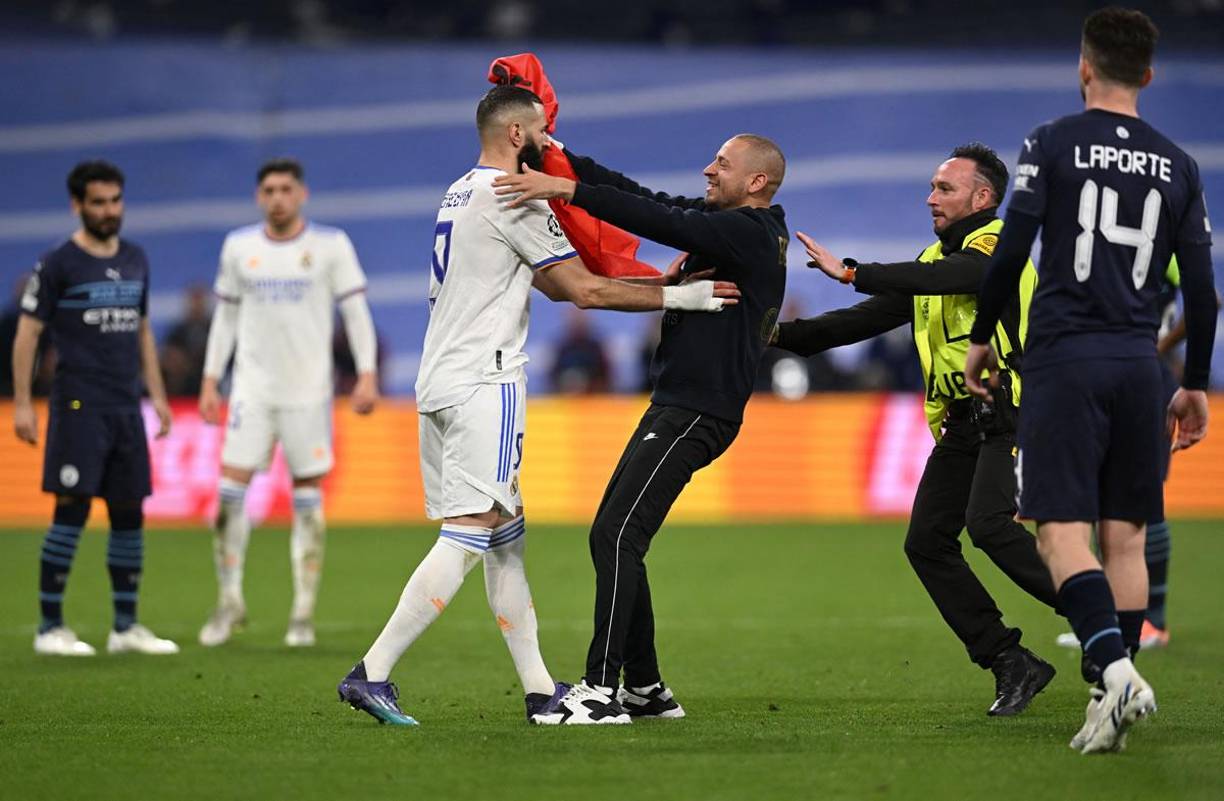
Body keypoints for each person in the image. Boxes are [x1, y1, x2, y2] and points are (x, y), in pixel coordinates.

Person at [336, 85, 739, 727]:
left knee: (504, 537)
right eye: (545, 133)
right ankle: (373, 672)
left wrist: (658, 282)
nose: (553, 146)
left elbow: (551, 283)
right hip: (485, 383)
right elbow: (582, 291)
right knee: (471, 533)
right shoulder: (516, 196)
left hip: (440, 379)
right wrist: (682, 300)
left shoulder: (461, 191)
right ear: (520, 136)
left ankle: (538, 688)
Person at [965, 7, 1216, 754]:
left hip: (1066, 360)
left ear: (1084, 67)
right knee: (1127, 539)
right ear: (1147, 73)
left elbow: (1010, 253)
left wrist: (981, 338)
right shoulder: (1180, 164)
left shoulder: (1052, 142)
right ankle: (1116, 696)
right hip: (1143, 367)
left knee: (1059, 535)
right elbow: (1202, 291)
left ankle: (1113, 671)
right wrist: (1194, 381)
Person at [493, 130, 788, 720]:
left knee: (618, 536)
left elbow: (652, 216)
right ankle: (646, 688)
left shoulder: (750, 232)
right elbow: (638, 194)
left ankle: (600, 690)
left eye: (722, 164)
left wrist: (564, 188)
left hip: (698, 409)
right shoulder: (732, 230)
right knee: (613, 533)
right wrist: (563, 156)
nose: (708, 169)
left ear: (756, 182)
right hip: (680, 405)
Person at [772, 144, 1059, 716]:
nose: (930, 197)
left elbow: (973, 275)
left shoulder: (998, 245)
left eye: (944, 188)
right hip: (961, 424)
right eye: (931, 186)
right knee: (926, 542)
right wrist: (773, 337)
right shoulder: (933, 261)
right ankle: (1010, 660)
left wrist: (853, 270)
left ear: (983, 198)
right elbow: (860, 321)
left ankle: (1101, 620)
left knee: (989, 526)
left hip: (1011, 411)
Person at [197, 157, 380, 649]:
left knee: (308, 506)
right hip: (251, 392)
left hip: (308, 394)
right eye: (269, 190)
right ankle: (229, 600)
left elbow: (356, 312)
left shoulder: (330, 246)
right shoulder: (239, 248)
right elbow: (226, 320)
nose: (277, 197)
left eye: (285, 189)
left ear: (301, 194)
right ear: (260, 197)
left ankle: (302, 612)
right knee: (227, 498)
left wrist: (366, 373)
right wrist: (211, 379)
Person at [11, 160, 178, 656]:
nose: (109, 211)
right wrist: (23, 402)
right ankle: (49, 628)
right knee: (72, 508)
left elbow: (143, 331)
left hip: (125, 405)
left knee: (129, 511)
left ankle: (125, 627)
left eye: (115, 201)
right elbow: (28, 333)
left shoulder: (135, 258)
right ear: (78, 205)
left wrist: (159, 396)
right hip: (78, 404)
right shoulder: (58, 263)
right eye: (98, 202)